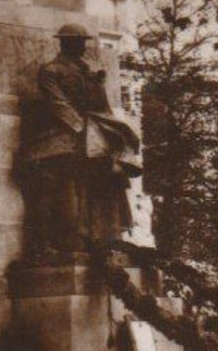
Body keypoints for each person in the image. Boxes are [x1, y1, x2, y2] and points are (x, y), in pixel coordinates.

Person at [17, 22, 142, 257]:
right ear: (65, 43)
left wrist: (112, 130)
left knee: (112, 169)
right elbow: (58, 104)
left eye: (83, 41)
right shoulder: (51, 70)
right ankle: (72, 236)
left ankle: (104, 235)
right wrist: (81, 128)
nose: (82, 46)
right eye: (77, 41)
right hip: (63, 132)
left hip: (91, 129)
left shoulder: (90, 72)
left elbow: (102, 107)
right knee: (65, 168)